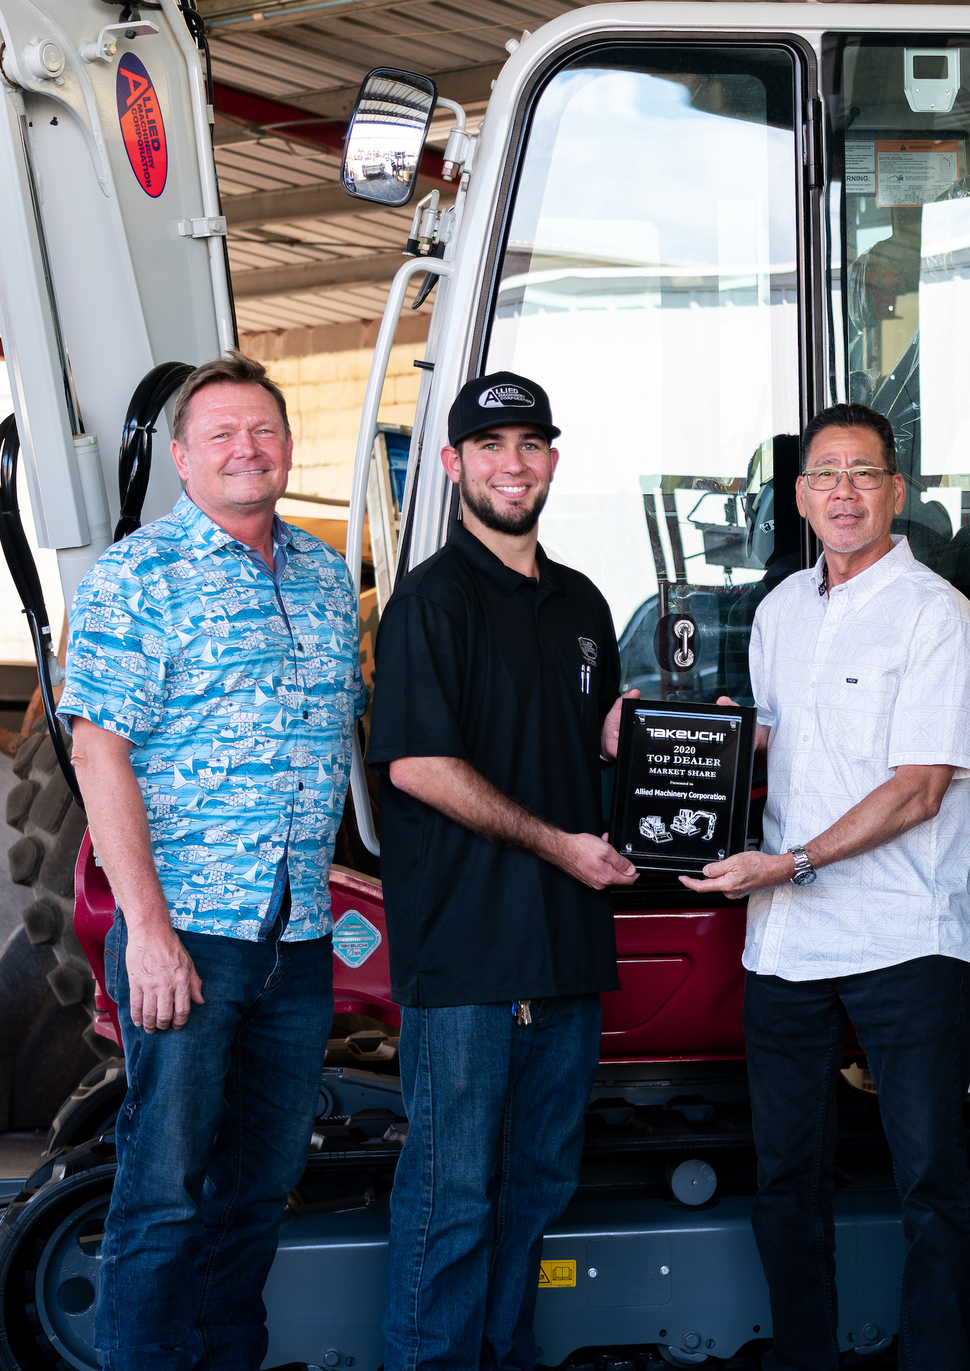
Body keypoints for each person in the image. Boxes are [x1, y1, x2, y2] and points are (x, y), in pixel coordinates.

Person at [58, 351, 366, 1371]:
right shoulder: (141, 577)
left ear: (288, 446)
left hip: (299, 939)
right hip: (189, 934)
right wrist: (146, 933)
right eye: (222, 435)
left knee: (257, 1191)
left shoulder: (326, 575)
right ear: (184, 460)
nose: (248, 448)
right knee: (163, 1192)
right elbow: (98, 749)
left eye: (264, 431)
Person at [680, 402, 970, 1371]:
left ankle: (934, 1360)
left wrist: (795, 861)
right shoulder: (777, 612)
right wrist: (705, 741)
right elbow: (785, 738)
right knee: (786, 1178)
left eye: (863, 473)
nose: (843, 492)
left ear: (896, 491)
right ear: (800, 497)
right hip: (787, 944)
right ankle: (806, 1357)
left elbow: (918, 788)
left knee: (930, 1182)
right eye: (824, 476)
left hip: (907, 938)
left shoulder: (937, 614)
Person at [368, 372, 639, 1371]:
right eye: (490, 447)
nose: (512, 464)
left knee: (533, 1196)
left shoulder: (581, 604)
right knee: (452, 1202)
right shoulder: (429, 605)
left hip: (565, 953)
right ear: (453, 466)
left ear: (552, 462)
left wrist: (628, 742)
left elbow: (588, 746)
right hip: (470, 963)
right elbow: (420, 766)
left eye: (529, 445)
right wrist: (557, 844)